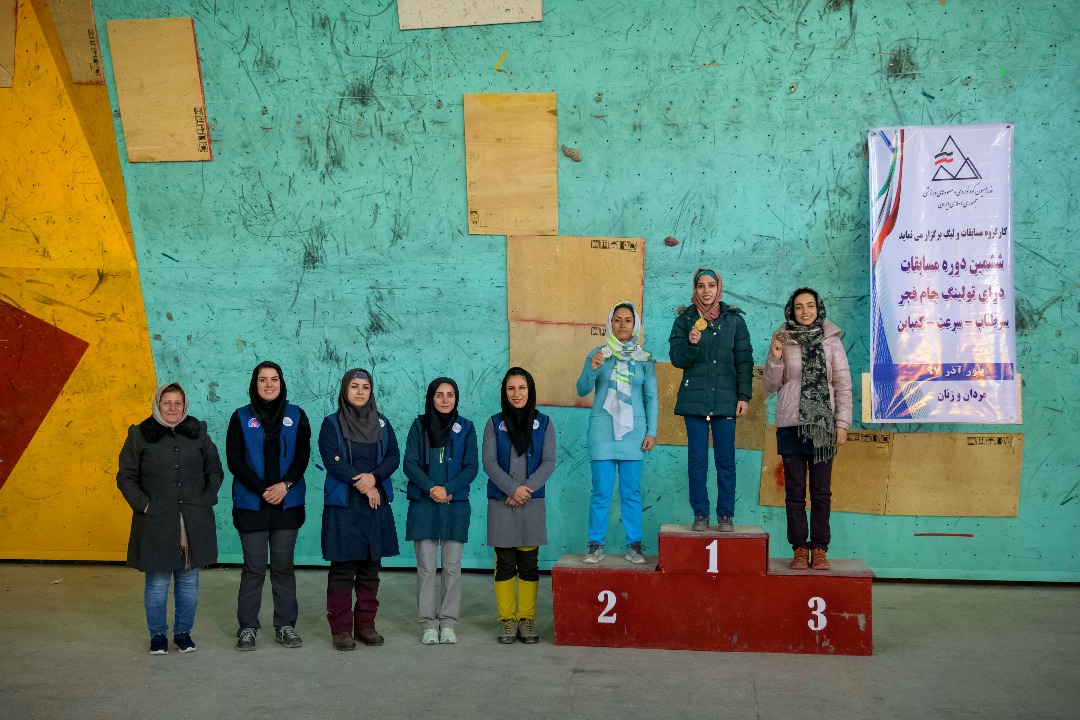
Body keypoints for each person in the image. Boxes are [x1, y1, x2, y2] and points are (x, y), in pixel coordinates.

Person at [116, 383, 223, 655]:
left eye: (178, 403)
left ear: (184, 405)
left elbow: (215, 470)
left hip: (193, 519)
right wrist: (145, 505)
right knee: (158, 581)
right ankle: (158, 636)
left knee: (188, 581)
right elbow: (126, 476)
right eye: (167, 403)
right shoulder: (139, 434)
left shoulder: (198, 432)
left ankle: (183, 634)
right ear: (157, 405)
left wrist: (206, 498)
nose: (173, 408)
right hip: (157, 521)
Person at [763, 287, 852, 571]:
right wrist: (775, 357)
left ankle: (820, 549)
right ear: (792, 310)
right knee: (795, 493)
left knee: (821, 492)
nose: (805, 311)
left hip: (822, 427)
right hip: (791, 425)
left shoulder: (831, 342)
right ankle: (800, 548)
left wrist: (842, 423)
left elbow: (842, 384)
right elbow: (770, 386)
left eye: (810, 305)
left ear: (818, 308)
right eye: (799, 306)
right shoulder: (782, 339)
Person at [226, 361, 311, 651]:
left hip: (287, 504)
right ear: (255, 384)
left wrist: (284, 486)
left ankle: (285, 625)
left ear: (281, 383)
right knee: (254, 567)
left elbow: (302, 457)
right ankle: (247, 628)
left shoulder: (297, 415)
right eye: (263, 379)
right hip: (252, 505)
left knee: (283, 567)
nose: (269, 384)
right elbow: (235, 461)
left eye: (274, 379)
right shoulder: (240, 417)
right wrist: (264, 490)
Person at [318, 368, 400, 650]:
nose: (360, 392)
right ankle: (341, 630)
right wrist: (364, 483)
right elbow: (332, 460)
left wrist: (374, 478)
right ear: (345, 390)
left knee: (370, 568)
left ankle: (366, 625)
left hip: (374, 507)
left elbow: (393, 457)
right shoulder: (331, 424)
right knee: (343, 570)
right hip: (344, 507)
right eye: (354, 386)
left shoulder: (383, 423)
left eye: (365, 387)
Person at [668, 268, 754, 532]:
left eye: (711, 285)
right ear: (695, 289)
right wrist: (691, 344)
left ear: (719, 288)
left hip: (726, 399)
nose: (706, 291)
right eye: (701, 286)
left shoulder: (735, 321)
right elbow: (677, 359)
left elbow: (744, 361)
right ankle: (700, 514)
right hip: (694, 401)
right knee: (697, 460)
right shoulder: (684, 320)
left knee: (725, 460)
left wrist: (744, 396)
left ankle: (725, 515)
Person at [576, 301, 658, 564]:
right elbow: (582, 389)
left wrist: (652, 431)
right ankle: (594, 546)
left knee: (631, 493)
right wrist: (592, 368)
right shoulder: (598, 353)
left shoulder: (644, 358)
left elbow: (651, 397)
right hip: (602, 433)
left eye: (628, 320)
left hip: (634, 433)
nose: (623, 325)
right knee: (601, 493)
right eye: (617, 320)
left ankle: (634, 546)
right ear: (610, 323)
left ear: (635, 325)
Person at [403, 377, 478, 645]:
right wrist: (432, 488)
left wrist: (448, 489)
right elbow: (409, 464)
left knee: (452, 567)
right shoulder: (419, 426)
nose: (445, 400)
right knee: (426, 567)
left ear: (456, 398)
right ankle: (428, 624)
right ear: (431, 398)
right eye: (439, 395)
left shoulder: (466, 428)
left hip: (454, 505)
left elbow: (471, 467)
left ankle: (447, 623)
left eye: (450, 395)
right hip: (424, 505)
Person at [483, 367, 556, 644]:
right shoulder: (493, 423)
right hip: (501, 502)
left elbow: (548, 462)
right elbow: (489, 462)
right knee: (504, 563)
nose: (516, 394)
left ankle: (526, 619)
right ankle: (507, 620)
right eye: (511, 388)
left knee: (528, 564)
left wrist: (525, 490)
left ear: (530, 390)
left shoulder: (544, 423)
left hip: (531, 503)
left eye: (521, 388)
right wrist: (512, 488)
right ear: (505, 392)